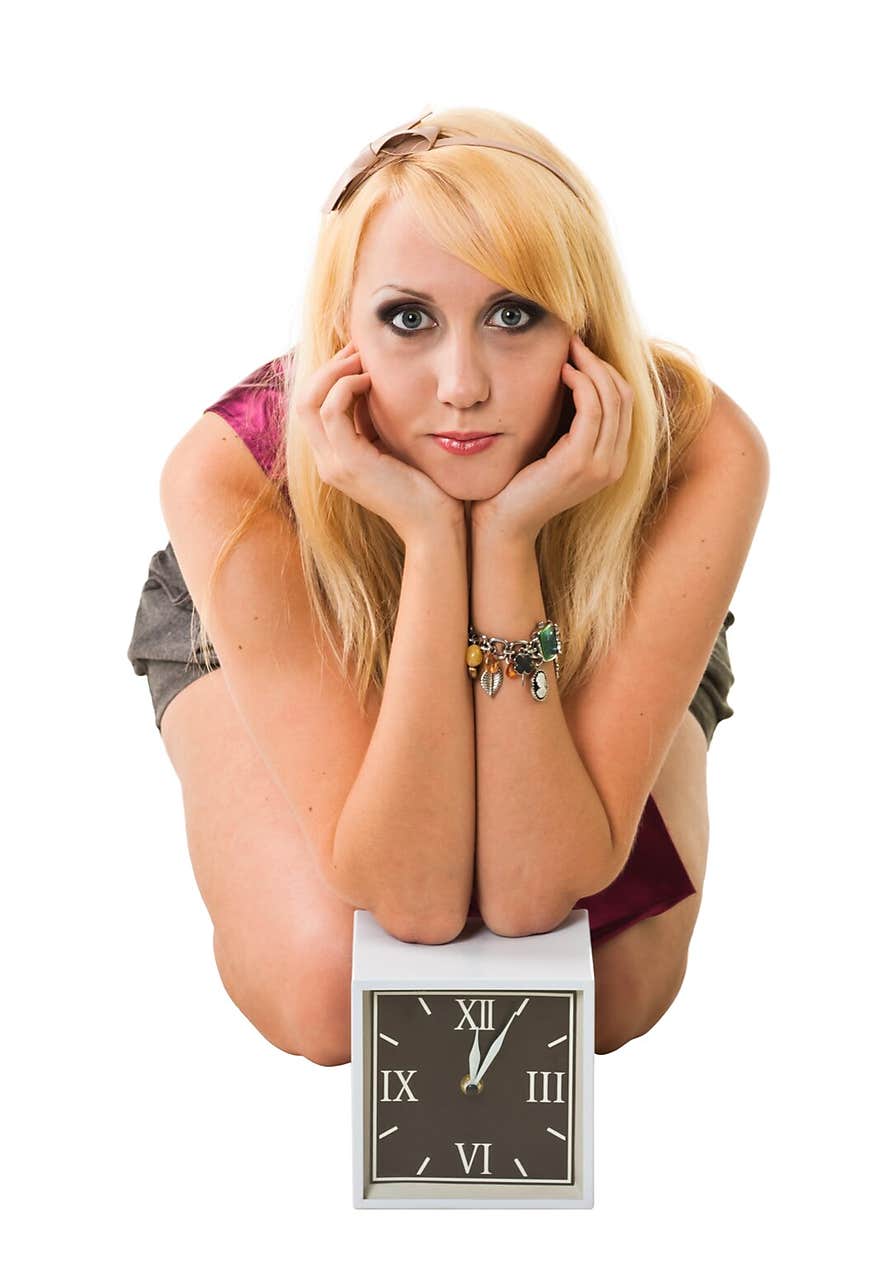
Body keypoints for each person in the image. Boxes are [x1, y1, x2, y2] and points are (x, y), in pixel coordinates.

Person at [127, 105, 768, 1063]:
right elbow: (416, 902)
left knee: (610, 988)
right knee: (331, 992)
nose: (461, 384)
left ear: (581, 327)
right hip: (319, 592)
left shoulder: (696, 447)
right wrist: (430, 541)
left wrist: (506, 543)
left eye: (514, 315)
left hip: (588, 593)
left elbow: (533, 891)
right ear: (343, 326)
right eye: (408, 319)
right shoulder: (226, 475)